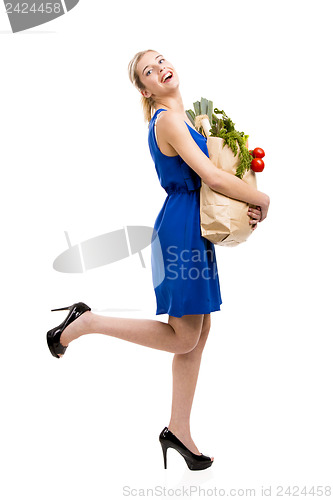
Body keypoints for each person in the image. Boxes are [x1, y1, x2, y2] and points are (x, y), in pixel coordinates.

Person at [46, 49, 270, 471]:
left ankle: (178, 430)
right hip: (180, 231)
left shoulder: (184, 118)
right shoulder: (166, 120)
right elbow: (211, 176)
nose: (161, 68)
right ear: (145, 90)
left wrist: (240, 209)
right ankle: (87, 321)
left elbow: (217, 179)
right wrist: (262, 198)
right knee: (184, 335)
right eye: (149, 70)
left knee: (199, 332)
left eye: (161, 60)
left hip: (191, 226)